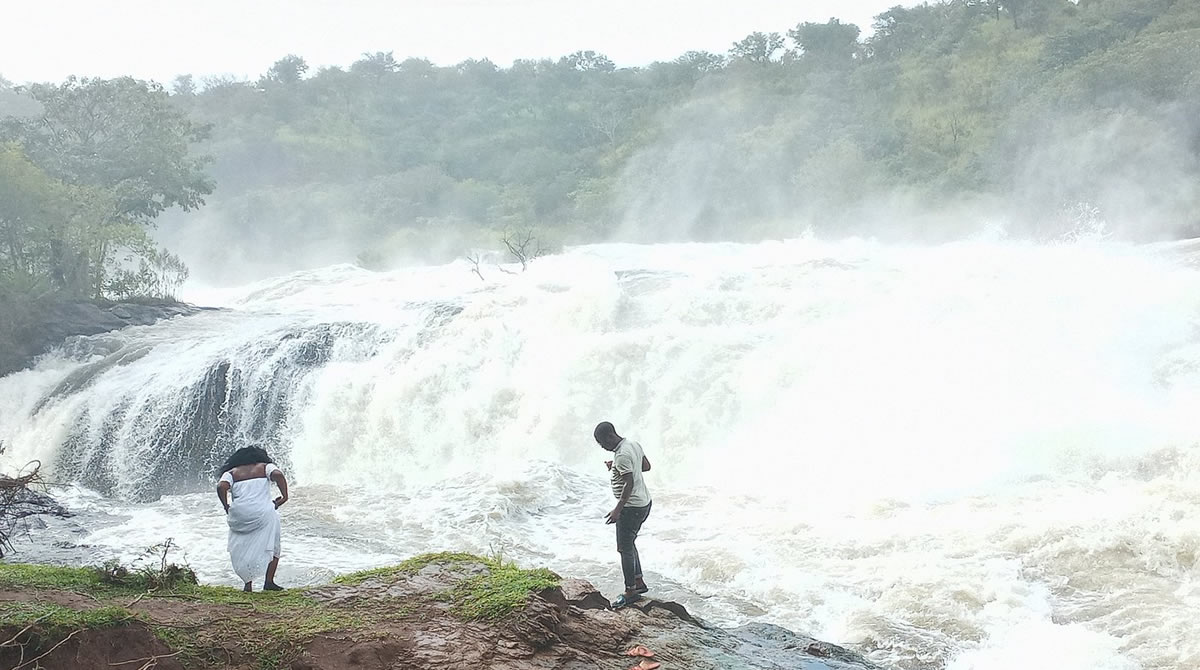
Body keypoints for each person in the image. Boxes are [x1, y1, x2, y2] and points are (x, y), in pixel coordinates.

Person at [594, 421, 652, 608]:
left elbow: (629, 484)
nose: (603, 448)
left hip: (631, 508)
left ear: (610, 436)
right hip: (645, 503)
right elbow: (645, 466)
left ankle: (630, 591)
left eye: (603, 443)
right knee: (630, 543)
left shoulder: (622, 454)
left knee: (624, 548)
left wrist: (617, 510)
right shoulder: (633, 445)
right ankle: (639, 581)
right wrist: (617, 466)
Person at [217, 445, 289, 592]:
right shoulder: (265, 467)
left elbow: (221, 487)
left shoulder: (231, 472)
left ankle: (247, 584)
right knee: (273, 544)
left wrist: (226, 506)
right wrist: (284, 497)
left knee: (244, 547)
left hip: (240, 514)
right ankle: (269, 582)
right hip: (263, 512)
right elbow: (279, 475)